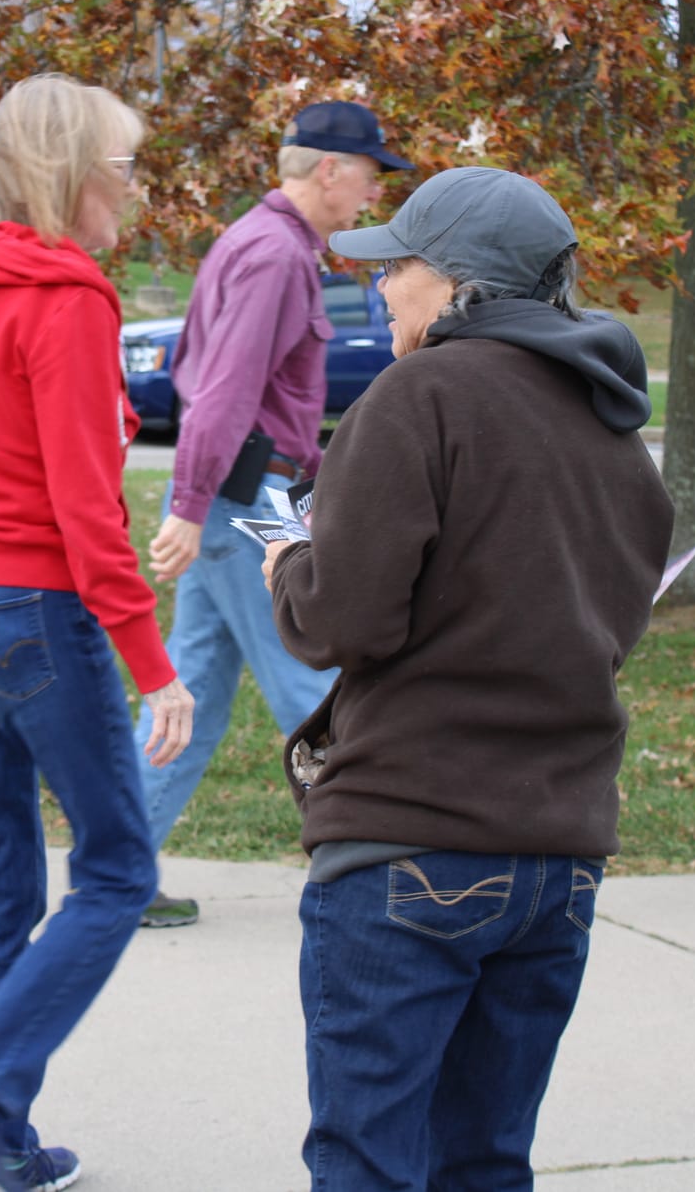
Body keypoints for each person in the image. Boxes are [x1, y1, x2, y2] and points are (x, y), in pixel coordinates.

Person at [261, 166, 676, 1191]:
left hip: (414, 837)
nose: (378, 289)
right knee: (484, 1162)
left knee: (367, 1161)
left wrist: (286, 565)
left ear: (456, 285)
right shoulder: (614, 430)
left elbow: (341, 620)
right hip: (558, 854)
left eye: (394, 266)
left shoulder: (418, 396)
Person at [0, 74, 195, 1192]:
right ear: (72, 173)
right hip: (27, 610)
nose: (133, 186)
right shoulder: (69, 298)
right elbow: (86, 505)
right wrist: (153, 665)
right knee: (116, 867)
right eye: (123, 164)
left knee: (2, 874)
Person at [135, 100, 412, 928]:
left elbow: (225, 383)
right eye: (368, 177)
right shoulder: (274, 257)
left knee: (190, 696)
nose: (370, 195)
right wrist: (189, 507)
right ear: (329, 168)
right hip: (241, 502)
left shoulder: (252, 243)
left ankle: (111, 870)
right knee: (318, 689)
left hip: (241, 495)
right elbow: (221, 394)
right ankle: (373, 876)